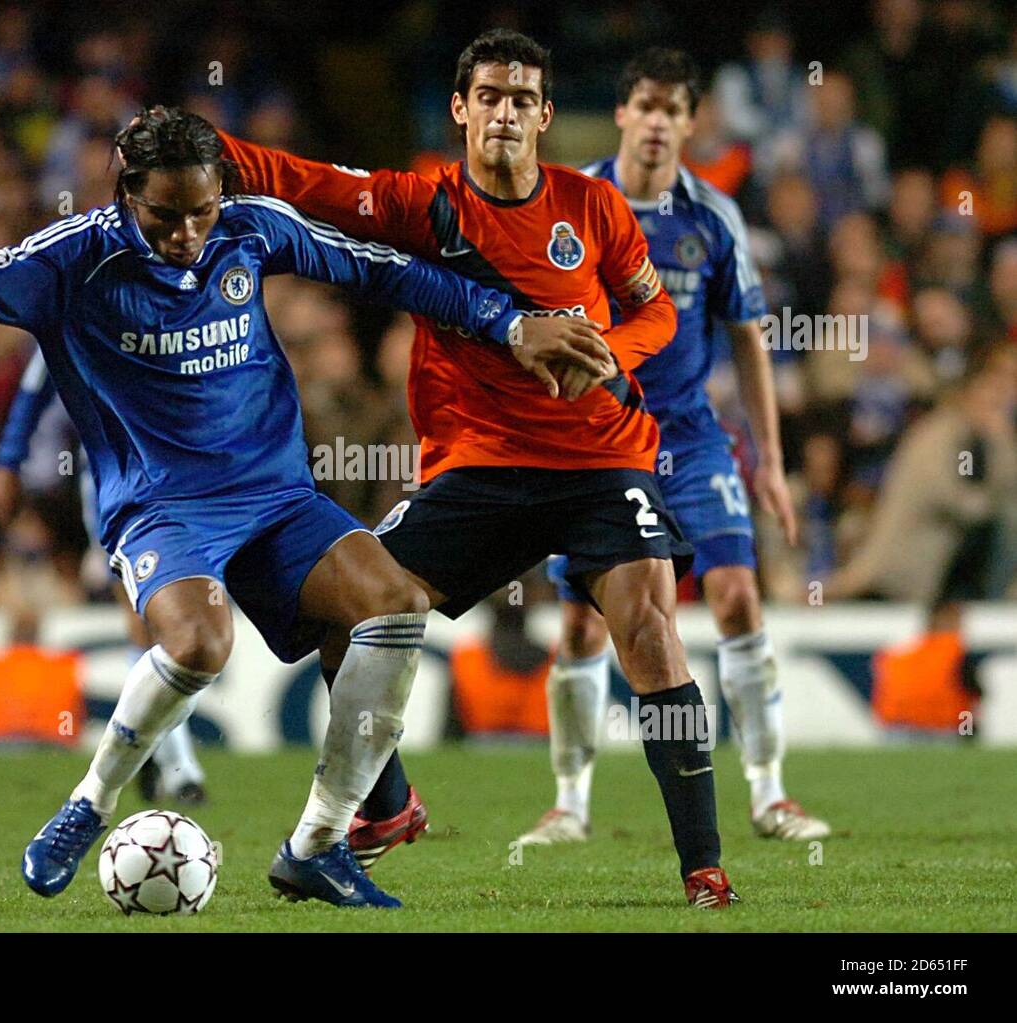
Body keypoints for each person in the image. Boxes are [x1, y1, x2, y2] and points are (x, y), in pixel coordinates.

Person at [0, 105, 601, 910]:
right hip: (162, 504)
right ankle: (90, 802)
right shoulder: (72, 258)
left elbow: (382, 268)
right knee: (200, 644)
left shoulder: (253, 229)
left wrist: (507, 322)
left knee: (395, 601)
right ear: (127, 194)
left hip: (276, 495)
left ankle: (318, 845)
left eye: (203, 209)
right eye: (166, 214)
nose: (188, 231)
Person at [221, 29, 742, 907]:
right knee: (343, 607)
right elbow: (306, 180)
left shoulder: (593, 206)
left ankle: (704, 868)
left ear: (544, 116)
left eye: (522, 98)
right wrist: (217, 152)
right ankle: (385, 806)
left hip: (601, 458)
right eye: (489, 96)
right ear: (462, 110)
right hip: (480, 467)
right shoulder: (419, 205)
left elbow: (654, 311)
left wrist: (611, 351)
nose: (505, 111)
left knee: (651, 631)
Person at [524, 48, 830, 848]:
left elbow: (749, 338)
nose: (658, 122)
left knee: (736, 595)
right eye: (645, 106)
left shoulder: (713, 215)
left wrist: (768, 460)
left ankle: (770, 792)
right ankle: (570, 802)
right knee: (585, 625)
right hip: (599, 439)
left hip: (692, 439)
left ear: (691, 124)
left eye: (673, 110)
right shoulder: (572, 205)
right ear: (622, 113)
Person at [0, 347, 209, 805]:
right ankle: (181, 767)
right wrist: (10, 460)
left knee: (189, 618)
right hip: (117, 475)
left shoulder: (194, 290)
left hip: (195, 472)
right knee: (145, 618)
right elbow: (38, 377)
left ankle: (155, 752)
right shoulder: (85, 290)